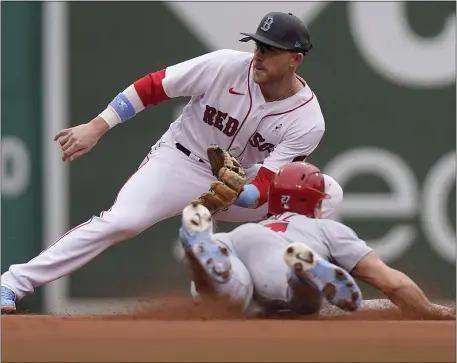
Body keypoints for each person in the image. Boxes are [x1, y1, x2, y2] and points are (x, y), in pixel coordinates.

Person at [2, 12, 329, 313]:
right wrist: (96, 126)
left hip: (242, 187)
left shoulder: (307, 120)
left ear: (295, 60)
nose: (259, 55)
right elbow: (153, 87)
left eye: (271, 50)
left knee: (326, 194)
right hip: (181, 163)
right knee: (121, 222)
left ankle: (285, 290)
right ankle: (11, 283)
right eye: (259, 45)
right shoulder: (224, 66)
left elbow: (266, 183)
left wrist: (240, 193)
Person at [178, 162, 456, 319]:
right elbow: (392, 283)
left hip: (238, 239)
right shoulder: (326, 228)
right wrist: (430, 311)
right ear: (317, 204)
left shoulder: (265, 222)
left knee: (229, 297)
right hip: (277, 255)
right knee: (302, 302)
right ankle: (302, 275)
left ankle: (200, 248)